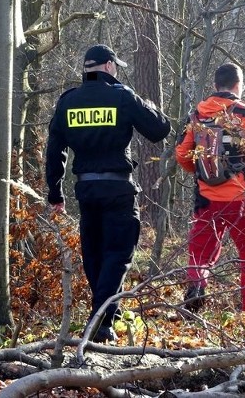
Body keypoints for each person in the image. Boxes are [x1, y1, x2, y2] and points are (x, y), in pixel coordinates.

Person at [46, 44, 171, 343]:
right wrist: (150, 105)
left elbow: (54, 151)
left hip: (86, 190)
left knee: (95, 255)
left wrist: (55, 191)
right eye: (115, 66)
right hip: (118, 189)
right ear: (108, 66)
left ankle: (106, 317)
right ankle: (100, 318)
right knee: (118, 254)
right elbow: (159, 130)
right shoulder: (122, 96)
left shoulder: (68, 102)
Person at [175, 62, 245, 316]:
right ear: (239, 85)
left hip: (206, 199)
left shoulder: (197, 114)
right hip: (241, 199)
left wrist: (202, 173)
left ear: (216, 85)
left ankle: (197, 289)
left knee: (200, 253)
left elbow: (182, 153)